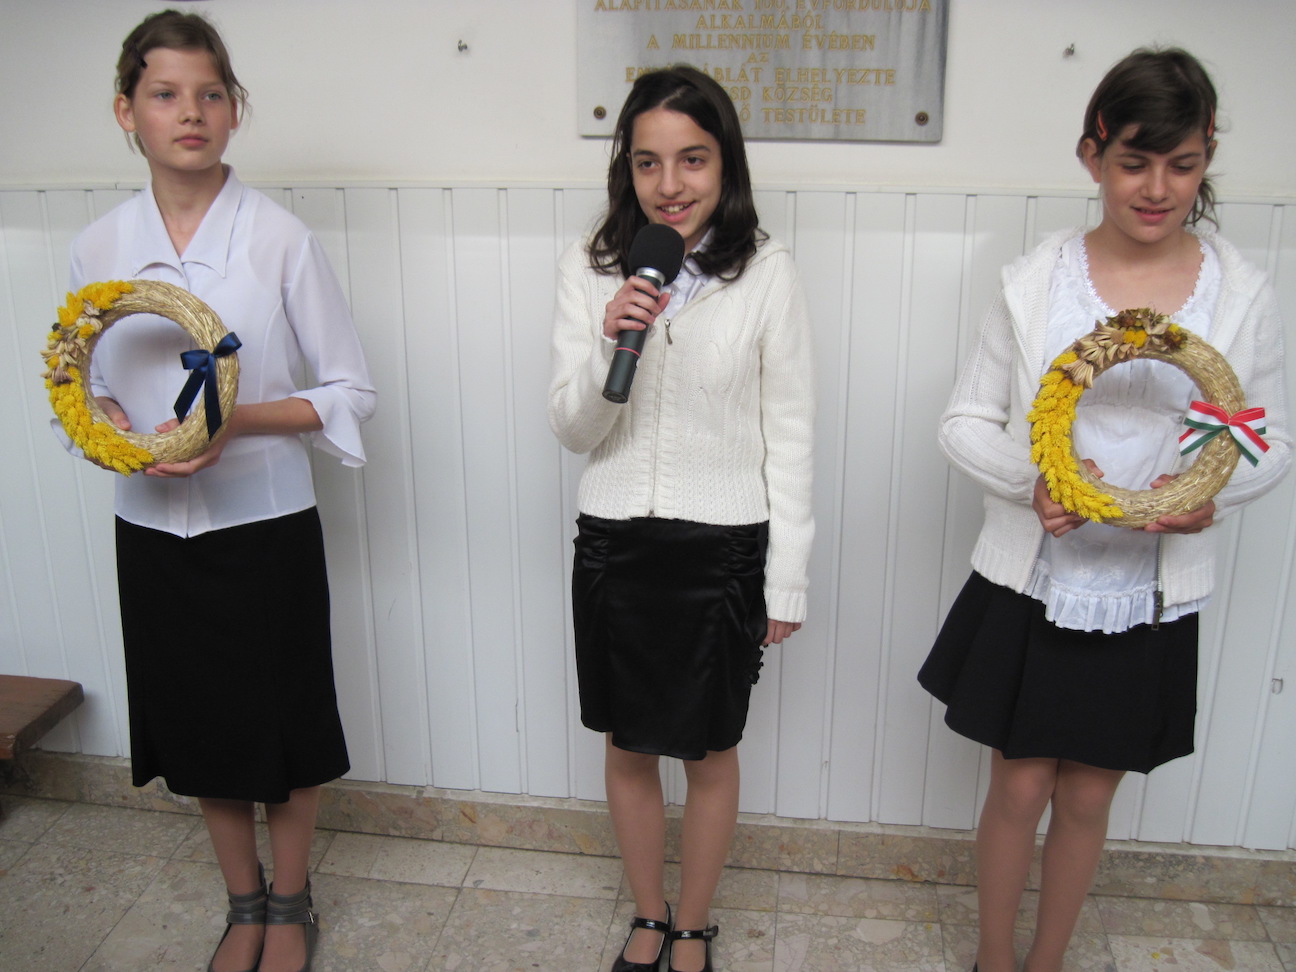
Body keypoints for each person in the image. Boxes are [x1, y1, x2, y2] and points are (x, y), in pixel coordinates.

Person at [918, 48, 1289, 972]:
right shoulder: (1036, 283)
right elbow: (964, 421)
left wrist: (1208, 495)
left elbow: (1269, 436)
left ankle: (1047, 962)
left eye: (1182, 164)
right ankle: (994, 960)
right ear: (1092, 155)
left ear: (1207, 157)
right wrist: (1034, 480)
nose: (1157, 188)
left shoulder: (1240, 295)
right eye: (1134, 162)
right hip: (1038, 576)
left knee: (1088, 797)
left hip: (1145, 588)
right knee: (1019, 787)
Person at [66, 10, 375, 972]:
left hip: (264, 525)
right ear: (128, 111)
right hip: (152, 529)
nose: (190, 112)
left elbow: (350, 390)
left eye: (209, 94)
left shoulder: (278, 239)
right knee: (198, 723)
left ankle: (291, 902)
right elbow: (84, 385)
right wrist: (110, 429)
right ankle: (242, 904)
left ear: (234, 110)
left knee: (287, 723)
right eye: (165, 94)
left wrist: (230, 423)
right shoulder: (99, 249)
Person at [548, 66, 814, 972]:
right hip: (615, 540)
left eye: (693, 159)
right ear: (625, 168)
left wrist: (787, 576)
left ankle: (694, 924)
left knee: (708, 750)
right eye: (648, 162)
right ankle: (649, 915)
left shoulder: (767, 270)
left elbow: (792, 434)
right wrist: (607, 343)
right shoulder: (590, 267)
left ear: (724, 163)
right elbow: (573, 427)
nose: (670, 184)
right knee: (628, 745)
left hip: (722, 547)